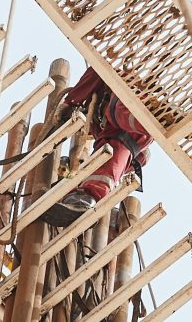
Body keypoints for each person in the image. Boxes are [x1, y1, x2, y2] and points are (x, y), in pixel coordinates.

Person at [45, 68, 151, 230]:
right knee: (103, 159)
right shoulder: (100, 127)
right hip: (128, 138)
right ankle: (76, 194)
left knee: (110, 156)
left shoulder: (109, 84)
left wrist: (70, 102)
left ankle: (85, 198)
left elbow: (94, 72)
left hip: (125, 111)